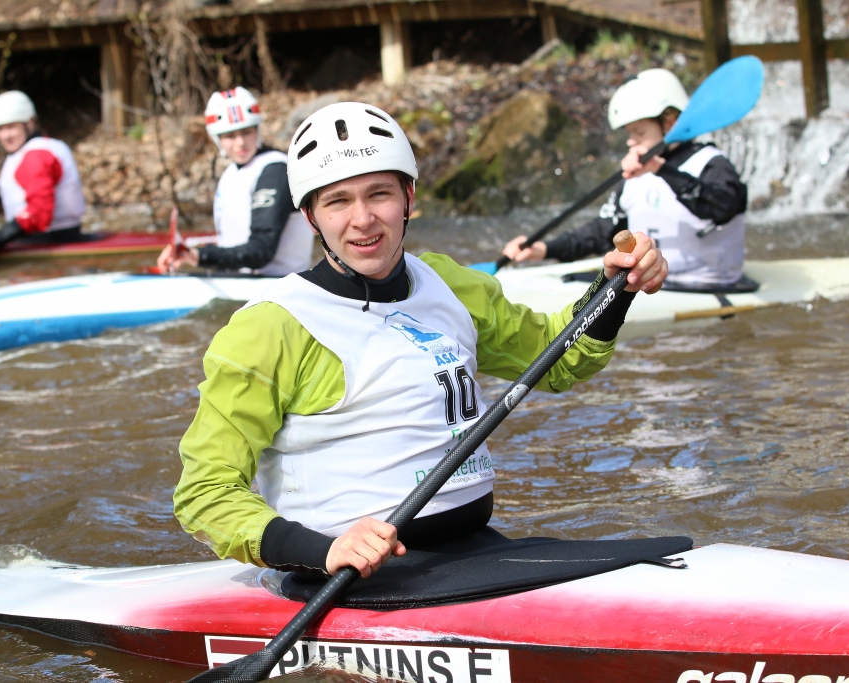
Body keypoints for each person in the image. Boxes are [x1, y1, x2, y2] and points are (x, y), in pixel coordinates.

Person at [172, 102, 667, 578]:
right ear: (311, 217)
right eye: (338, 201)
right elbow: (205, 490)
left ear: (409, 198)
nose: (363, 219)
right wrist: (322, 550)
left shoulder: (450, 284)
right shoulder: (269, 327)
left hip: (474, 551)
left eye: (379, 194)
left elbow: (558, 358)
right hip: (346, 579)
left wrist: (616, 288)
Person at [503, 68, 748, 289]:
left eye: (639, 132)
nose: (631, 141)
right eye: (629, 133)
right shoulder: (636, 176)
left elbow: (721, 207)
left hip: (705, 284)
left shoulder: (711, 163)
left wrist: (661, 170)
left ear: (671, 123)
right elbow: (602, 232)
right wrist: (545, 249)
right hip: (648, 283)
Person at [156, 87, 314, 276]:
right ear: (218, 139)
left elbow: (262, 250)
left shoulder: (275, 171)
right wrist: (185, 251)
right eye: (230, 136)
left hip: (279, 286)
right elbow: (232, 241)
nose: (240, 142)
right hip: (243, 282)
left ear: (257, 129)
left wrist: (200, 256)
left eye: (246, 132)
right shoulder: (231, 173)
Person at [0, 90, 86, 277]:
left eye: (11, 127)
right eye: (0, 129)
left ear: (29, 124)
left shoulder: (35, 156)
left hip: (49, 240)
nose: (5, 135)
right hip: (48, 235)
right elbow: (29, 193)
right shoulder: (41, 147)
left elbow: (38, 214)